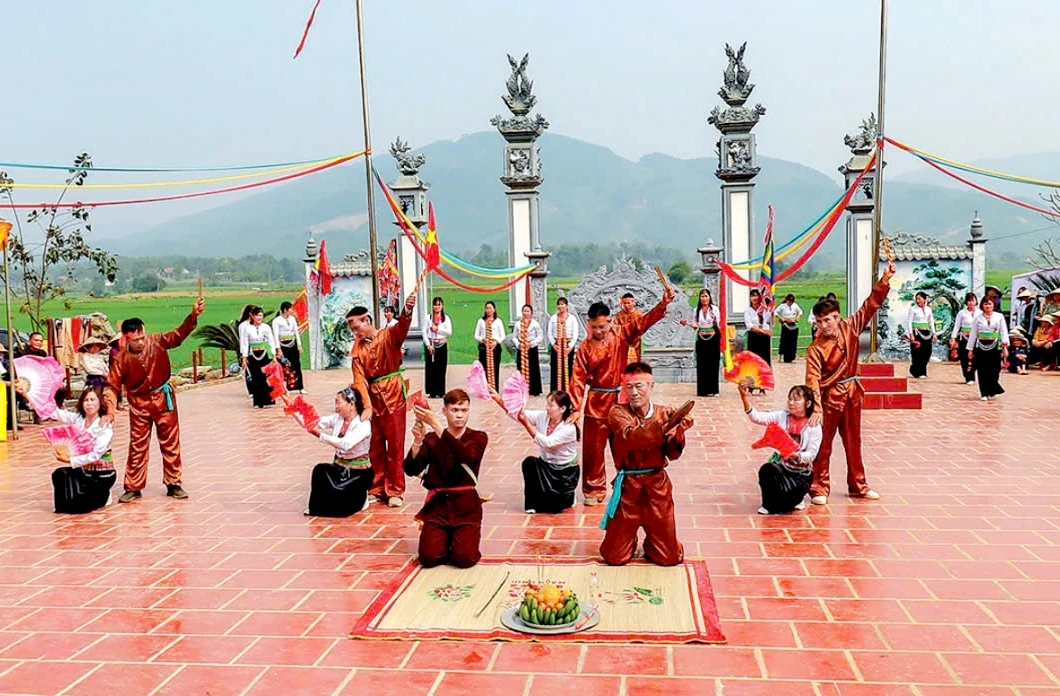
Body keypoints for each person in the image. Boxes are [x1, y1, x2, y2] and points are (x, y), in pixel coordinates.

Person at [569, 288, 674, 506]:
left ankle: (627, 482)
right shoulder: (584, 348)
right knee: (593, 450)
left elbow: (642, 323)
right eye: (595, 327)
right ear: (590, 324)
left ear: (609, 321)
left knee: (625, 445)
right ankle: (593, 488)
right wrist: (575, 408)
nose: (599, 331)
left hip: (620, 401)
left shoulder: (621, 334)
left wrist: (662, 304)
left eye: (603, 326)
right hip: (596, 401)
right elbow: (577, 379)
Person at [805, 258, 895, 506]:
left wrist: (885, 279)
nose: (824, 326)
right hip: (829, 398)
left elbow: (870, 305)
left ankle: (858, 484)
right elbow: (812, 379)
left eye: (828, 320)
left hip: (853, 393)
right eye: (819, 321)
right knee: (823, 445)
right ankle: (818, 486)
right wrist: (817, 408)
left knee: (854, 443)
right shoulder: (815, 349)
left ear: (837, 317)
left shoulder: (851, 328)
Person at [103, 299, 204, 502]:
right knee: (138, 444)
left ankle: (174, 483)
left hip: (163, 399)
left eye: (141, 337)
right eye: (135, 340)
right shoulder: (121, 359)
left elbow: (178, 335)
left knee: (170, 442)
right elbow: (111, 386)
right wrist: (110, 410)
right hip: (139, 404)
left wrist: (193, 316)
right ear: (126, 338)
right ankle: (133, 486)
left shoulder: (158, 341)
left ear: (144, 332)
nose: (140, 342)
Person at [599, 362, 691, 567]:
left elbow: (672, 453)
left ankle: (656, 541)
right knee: (614, 557)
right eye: (629, 387)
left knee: (669, 558)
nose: (634, 392)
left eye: (639, 386)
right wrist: (664, 423)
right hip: (628, 488)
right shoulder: (617, 413)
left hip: (656, 487)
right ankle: (628, 538)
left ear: (651, 386)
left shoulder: (662, 413)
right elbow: (632, 437)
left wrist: (679, 432)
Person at [404, 389, 488, 568]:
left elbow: (466, 455)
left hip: (466, 508)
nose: (459, 415)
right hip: (438, 508)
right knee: (428, 558)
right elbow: (411, 469)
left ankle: (458, 540)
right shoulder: (432, 439)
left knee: (465, 559)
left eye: (463, 410)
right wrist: (417, 442)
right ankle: (445, 539)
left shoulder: (478, 437)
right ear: (445, 411)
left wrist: (435, 424)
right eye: (454, 410)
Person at [348, 291, 417, 507]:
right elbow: (359, 380)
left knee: (395, 445)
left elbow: (402, 328)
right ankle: (377, 487)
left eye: (356, 326)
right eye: (351, 329)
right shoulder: (357, 352)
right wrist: (366, 406)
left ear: (366, 320)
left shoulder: (388, 335)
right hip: (372, 399)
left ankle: (395, 489)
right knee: (375, 445)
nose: (354, 331)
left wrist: (407, 311)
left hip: (394, 394)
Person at [489, 388, 578, 514]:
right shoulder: (543, 416)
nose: (547, 408)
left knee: (556, 508)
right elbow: (519, 414)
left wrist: (526, 424)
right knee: (529, 463)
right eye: (547, 404)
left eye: (551, 405)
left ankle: (569, 495)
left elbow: (547, 443)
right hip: (546, 465)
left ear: (562, 409)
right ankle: (531, 504)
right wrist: (498, 399)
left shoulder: (569, 428)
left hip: (564, 472)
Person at [738, 383, 821, 515]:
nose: (791, 403)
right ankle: (768, 504)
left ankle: (797, 498)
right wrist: (744, 397)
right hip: (782, 468)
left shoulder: (814, 426)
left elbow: (811, 455)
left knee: (787, 504)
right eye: (790, 399)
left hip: (801, 474)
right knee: (767, 470)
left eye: (796, 400)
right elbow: (757, 417)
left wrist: (793, 454)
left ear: (808, 403)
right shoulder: (781, 416)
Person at [295, 387, 373, 517]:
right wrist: (292, 407)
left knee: (343, 508)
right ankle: (316, 508)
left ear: (351, 404)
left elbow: (345, 444)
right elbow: (313, 423)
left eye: (338, 402)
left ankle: (362, 497)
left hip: (357, 473)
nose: (336, 406)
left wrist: (320, 435)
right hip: (339, 467)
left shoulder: (363, 424)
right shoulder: (337, 419)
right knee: (320, 471)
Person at [47, 387, 117, 514]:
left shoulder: (104, 426)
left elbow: (95, 455)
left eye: (92, 400)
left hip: (101, 475)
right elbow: (55, 413)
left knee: (80, 506)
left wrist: (70, 460)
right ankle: (62, 507)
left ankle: (105, 495)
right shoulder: (78, 419)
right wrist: (28, 395)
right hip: (84, 472)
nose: (89, 403)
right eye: (86, 400)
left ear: (100, 402)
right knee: (60, 475)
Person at [968, 296, 1009, 401]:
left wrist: (1005, 347)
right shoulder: (978, 318)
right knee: (982, 370)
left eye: (990, 304)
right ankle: (984, 393)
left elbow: (1003, 332)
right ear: (982, 305)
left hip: (995, 346)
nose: (988, 306)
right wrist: (970, 349)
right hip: (981, 346)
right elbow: (973, 334)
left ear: (994, 305)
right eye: (986, 304)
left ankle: (993, 388)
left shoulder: (999, 316)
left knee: (995, 370)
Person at [240, 306, 277, 409]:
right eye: (257, 315)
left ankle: (268, 400)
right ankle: (258, 402)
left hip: (265, 354)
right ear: (252, 316)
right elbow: (244, 343)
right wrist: (244, 357)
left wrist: (273, 355)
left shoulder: (266, 327)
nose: (259, 318)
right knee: (256, 378)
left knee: (266, 378)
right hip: (253, 355)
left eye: (261, 315)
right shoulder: (247, 328)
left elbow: (271, 341)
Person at [688, 288, 721, 397]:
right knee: (702, 363)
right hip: (701, 338)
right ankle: (702, 390)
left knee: (713, 363)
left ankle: (714, 390)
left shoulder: (715, 309)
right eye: (702, 296)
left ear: (710, 297)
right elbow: (695, 324)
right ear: (699, 298)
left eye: (706, 296)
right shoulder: (696, 310)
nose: (704, 298)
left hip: (713, 337)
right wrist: (693, 326)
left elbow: (717, 323)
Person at [272, 301, 305, 394]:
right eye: (290, 309)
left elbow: (296, 332)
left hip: (292, 343)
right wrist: (278, 349)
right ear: (285, 310)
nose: (292, 311)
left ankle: (300, 387)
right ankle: (285, 388)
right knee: (284, 366)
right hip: (283, 344)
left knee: (297, 365)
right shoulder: (277, 321)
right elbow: (275, 335)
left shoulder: (292, 319)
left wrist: (299, 345)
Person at [423, 297, 452, 399]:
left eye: (439, 305)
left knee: (441, 368)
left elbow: (449, 332)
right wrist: (428, 345)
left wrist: (438, 329)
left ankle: (441, 391)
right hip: (431, 345)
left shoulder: (446, 318)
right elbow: (424, 332)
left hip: (441, 344)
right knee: (431, 368)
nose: (437, 307)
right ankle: (432, 391)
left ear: (442, 306)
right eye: (435, 305)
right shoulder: (428, 318)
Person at [548, 297, 579, 393]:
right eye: (559, 304)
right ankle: (555, 390)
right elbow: (549, 332)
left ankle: (567, 389)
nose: (560, 306)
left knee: (568, 367)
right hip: (557, 344)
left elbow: (575, 333)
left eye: (562, 304)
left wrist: (570, 347)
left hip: (567, 344)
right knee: (555, 367)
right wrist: (554, 344)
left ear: (566, 306)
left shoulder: (572, 318)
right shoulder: (553, 318)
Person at [474, 301, 505, 392]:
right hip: (484, 347)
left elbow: (502, 335)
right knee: (484, 368)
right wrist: (482, 340)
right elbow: (476, 335)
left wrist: (496, 341)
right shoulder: (481, 321)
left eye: (490, 308)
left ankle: (494, 389)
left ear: (494, 309)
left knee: (495, 368)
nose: (489, 310)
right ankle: (484, 389)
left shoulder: (498, 321)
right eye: (487, 308)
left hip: (495, 347)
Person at [950, 292, 980, 385]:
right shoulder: (961, 313)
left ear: (976, 301)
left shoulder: (980, 313)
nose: (971, 303)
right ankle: (968, 376)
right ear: (966, 302)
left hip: (976, 338)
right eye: (969, 301)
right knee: (964, 358)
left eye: (972, 301)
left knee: (976, 357)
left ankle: (973, 373)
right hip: (964, 338)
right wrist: (953, 338)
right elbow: (957, 326)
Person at [514, 304, 544, 397]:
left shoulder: (535, 323)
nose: (525, 313)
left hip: (531, 347)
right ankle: (521, 388)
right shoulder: (518, 323)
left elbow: (540, 336)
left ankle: (534, 390)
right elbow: (514, 336)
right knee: (520, 368)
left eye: (527, 311)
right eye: (524, 311)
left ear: (531, 313)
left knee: (533, 368)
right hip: (521, 347)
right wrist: (517, 344)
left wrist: (531, 344)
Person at [906, 291, 935, 379]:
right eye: (917, 299)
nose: (918, 301)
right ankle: (919, 371)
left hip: (926, 332)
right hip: (916, 332)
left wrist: (934, 333)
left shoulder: (928, 309)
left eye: (920, 299)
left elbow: (931, 321)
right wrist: (911, 334)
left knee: (927, 352)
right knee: (917, 353)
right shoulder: (913, 309)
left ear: (925, 299)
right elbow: (909, 321)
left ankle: (920, 369)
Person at [743, 289, 772, 367]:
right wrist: (763, 331)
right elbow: (750, 326)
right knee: (754, 360)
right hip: (754, 337)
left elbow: (769, 321)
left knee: (765, 359)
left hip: (765, 337)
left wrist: (772, 310)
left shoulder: (765, 310)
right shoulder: (748, 311)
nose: (754, 298)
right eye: (752, 296)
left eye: (756, 295)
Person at [614, 293, 643, 364]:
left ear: (633, 302)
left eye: (628, 303)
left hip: (635, 343)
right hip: (622, 344)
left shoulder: (639, 314)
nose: (626, 305)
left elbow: (642, 328)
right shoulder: (618, 315)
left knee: (635, 363)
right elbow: (615, 329)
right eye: (624, 303)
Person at [774, 293, 803, 363]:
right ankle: (781, 355)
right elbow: (775, 312)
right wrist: (781, 318)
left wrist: (797, 318)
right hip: (785, 324)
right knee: (784, 341)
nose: (790, 303)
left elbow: (801, 312)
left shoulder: (795, 305)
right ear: (786, 300)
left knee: (792, 342)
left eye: (791, 301)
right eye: (789, 301)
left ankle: (791, 357)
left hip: (793, 324)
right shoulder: (782, 306)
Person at [236, 305, 255, 398]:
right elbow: (243, 341)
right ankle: (251, 390)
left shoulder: (256, 324)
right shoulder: (243, 325)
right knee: (249, 370)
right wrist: (244, 354)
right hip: (248, 350)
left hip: (257, 350)